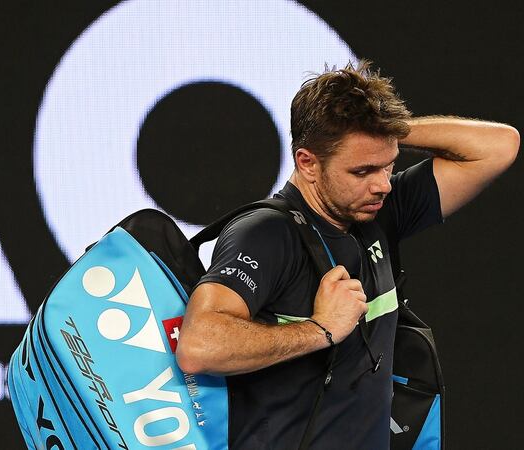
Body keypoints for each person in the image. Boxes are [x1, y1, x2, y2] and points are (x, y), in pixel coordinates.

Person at [175, 60, 519, 449]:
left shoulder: (380, 210)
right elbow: (198, 346)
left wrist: (386, 129)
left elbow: (498, 146)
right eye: (362, 171)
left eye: (389, 166)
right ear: (308, 163)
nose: (382, 185)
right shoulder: (265, 234)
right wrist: (320, 329)